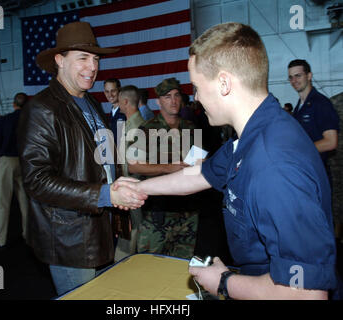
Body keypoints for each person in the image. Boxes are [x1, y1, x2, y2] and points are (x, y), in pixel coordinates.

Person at [114, 23, 338, 299]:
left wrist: (223, 282)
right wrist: (139, 189)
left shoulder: (275, 165)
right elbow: (199, 175)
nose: (194, 97)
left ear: (223, 83)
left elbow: (307, 294)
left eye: (196, 86)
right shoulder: (253, 134)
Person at [17, 21, 147, 296]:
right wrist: (105, 194)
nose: (92, 67)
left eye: (96, 59)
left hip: (101, 228)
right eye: (83, 58)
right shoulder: (41, 108)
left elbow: (100, 159)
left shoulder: (91, 103)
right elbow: (37, 180)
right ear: (59, 60)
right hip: (70, 238)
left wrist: (117, 180)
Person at [127, 77, 200, 260]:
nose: (173, 100)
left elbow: (199, 158)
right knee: (149, 266)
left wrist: (199, 162)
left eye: (176, 95)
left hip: (188, 212)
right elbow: (133, 164)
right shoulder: (148, 129)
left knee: (182, 268)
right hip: (158, 213)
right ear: (158, 101)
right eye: (167, 97)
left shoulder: (191, 127)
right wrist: (169, 168)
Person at [0, 93, 30, 248]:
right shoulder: (29, 121)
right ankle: (28, 234)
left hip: (6, 162)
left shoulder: (4, 120)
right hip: (24, 162)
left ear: (13, 104)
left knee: (2, 202)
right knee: (25, 201)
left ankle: (0, 238)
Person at [288, 59, 339, 181]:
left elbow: (331, 142)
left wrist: (298, 150)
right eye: (290, 77)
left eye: (298, 76)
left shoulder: (321, 103)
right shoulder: (299, 107)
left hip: (317, 172)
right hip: (304, 171)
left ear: (309, 76)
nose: (294, 81)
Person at [113, 85, 146, 261]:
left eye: (119, 101)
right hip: (129, 188)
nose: (118, 105)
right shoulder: (129, 125)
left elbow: (135, 166)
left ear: (125, 102)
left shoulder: (138, 128)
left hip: (135, 189)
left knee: (134, 234)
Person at [104, 78, 126, 146]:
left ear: (120, 90)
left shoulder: (126, 112)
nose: (110, 95)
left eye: (113, 91)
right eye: (107, 91)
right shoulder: (112, 113)